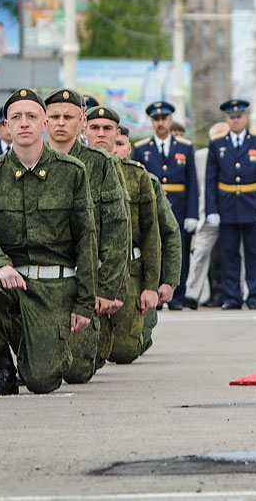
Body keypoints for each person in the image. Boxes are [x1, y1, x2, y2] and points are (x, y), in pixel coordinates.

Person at [0, 88, 97, 395]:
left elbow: (86, 241)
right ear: (7, 126)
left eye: (32, 116)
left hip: (54, 291)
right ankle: (4, 368)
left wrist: (84, 304)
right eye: (16, 118)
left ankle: (33, 347)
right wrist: (1, 265)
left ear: (44, 124)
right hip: (10, 282)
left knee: (41, 381)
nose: (24, 123)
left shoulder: (72, 172)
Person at [42, 88, 130, 384]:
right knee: (40, 371)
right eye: (54, 116)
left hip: (84, 279)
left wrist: (107, 289)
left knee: (77, 371)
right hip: (39, 279)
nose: (61, 123)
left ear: (81, 121)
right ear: (44, 121)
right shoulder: (27, 160)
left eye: (69, 117)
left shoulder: (100, 163)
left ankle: (96, 330)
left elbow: (118, 229)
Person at [85, 106, 161, 364]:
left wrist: (151, 286)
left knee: (125, 352)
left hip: (127, 270)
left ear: (118, 134)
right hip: (85, 270)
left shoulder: (138, 176)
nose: (101, 134)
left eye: (108, 129)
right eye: (94, 128)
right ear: (84, 130)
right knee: (86, 360)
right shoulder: (73, 168)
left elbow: (152, 232)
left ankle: (143, 324)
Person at [204, 98, 256, 310]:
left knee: (254, 254)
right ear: (227, 119)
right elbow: (210, 179)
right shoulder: (217, 143)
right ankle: (232, 297)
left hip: (252, 204)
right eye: (232, 117)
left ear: (246, 117)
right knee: (229, 254)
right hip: (226, 206)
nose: (236, 120)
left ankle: (255, 297)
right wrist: (211, 209)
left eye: (239, 116)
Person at [119, 128, 182, 355]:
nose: (114, 149)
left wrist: (169, 281)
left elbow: (170, 231)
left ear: (129, 148)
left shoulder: (145, 180)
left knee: (127, 350)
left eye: (119, 143)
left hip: (134, 273)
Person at [131, 100, 199, 310]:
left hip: (179, 205)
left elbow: (193, 183)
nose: (160, 123)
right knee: (153, 251)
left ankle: (177, 296)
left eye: (164, 119)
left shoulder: (185, 147)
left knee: (179, 252)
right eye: (156, 119)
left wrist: (192, 214)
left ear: (171, 120)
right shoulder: (142, 148)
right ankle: (156, 295)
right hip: (152, 207)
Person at [184, 121, 230, 307]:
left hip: (230, 212)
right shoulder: (200, 156)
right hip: (206, 214)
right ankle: (191, 293)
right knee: (200, 253)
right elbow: (195, 186)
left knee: (234, 255)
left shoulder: (235, 153)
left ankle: (240, 292)